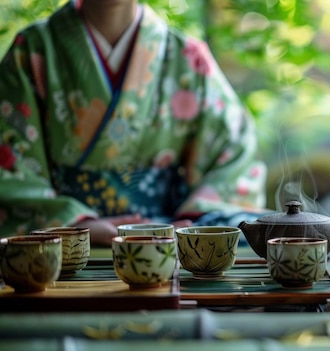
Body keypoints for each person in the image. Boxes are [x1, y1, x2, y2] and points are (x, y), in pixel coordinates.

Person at [0, 0, 267, 246]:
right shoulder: (33, 49)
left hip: (168, 238)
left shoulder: (184, 55)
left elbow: (234, 157)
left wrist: (190, 224)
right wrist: (77, 225)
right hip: (68, 242)